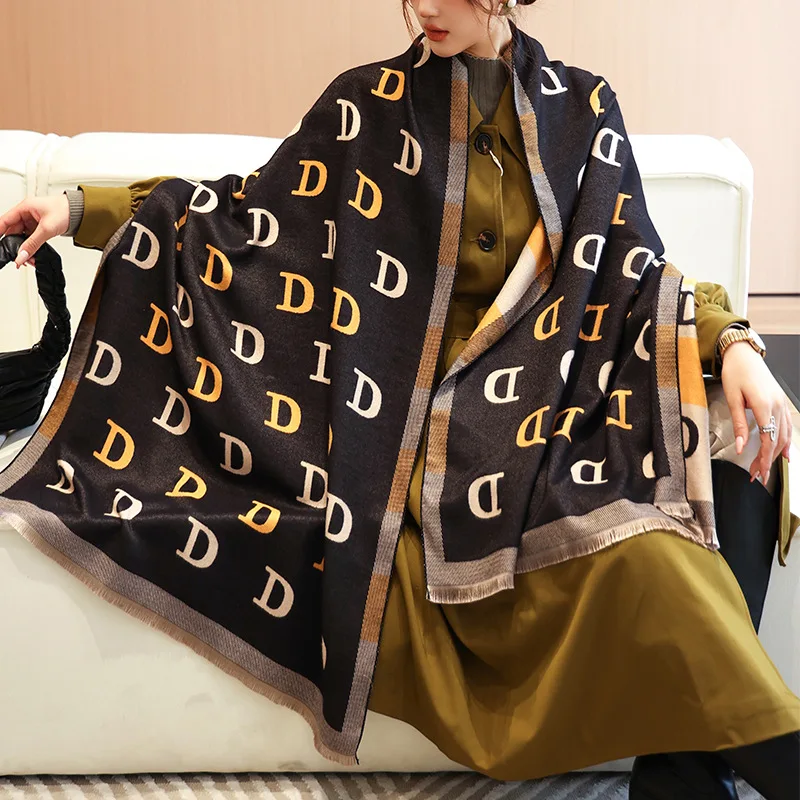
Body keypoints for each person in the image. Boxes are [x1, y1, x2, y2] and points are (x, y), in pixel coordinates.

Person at [0, 1, 798, 796]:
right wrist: (79, 209)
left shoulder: (582, 108)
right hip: (408, 430)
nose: (424, 8)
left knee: (726, 445)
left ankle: (684, 781)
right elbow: (241, 217)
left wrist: (732, 342)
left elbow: (635, 269)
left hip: (554, 417)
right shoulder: (367, 106)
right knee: (653, 562)